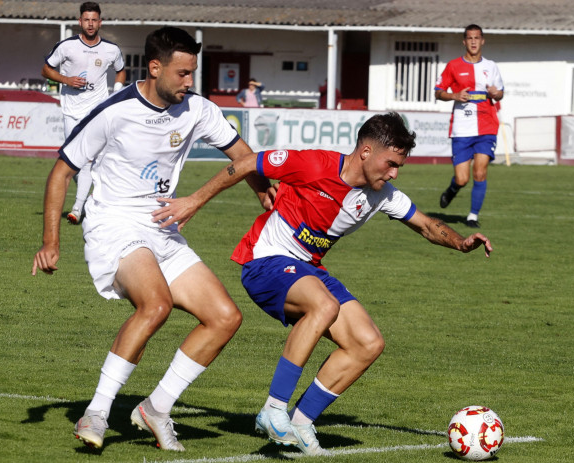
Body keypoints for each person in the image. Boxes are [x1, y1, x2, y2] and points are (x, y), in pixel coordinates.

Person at [157, 112, 493, 456]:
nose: (394, 173)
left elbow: (425, 225)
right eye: (390, 163)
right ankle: (274, 410)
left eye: (399, 167)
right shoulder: (314, 164)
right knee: (324, 305)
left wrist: (461, 243)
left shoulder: (382, 195)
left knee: (367, 342)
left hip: (307, 269)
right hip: (265, 262)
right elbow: (247, 163)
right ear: (365, 151)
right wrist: (194, 200)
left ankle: (301, 422)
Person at [32, 26, 272, 452]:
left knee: (224, 317)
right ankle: (98, 412)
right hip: (113, 224)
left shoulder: (197, 109)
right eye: (181, 73)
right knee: (156, 304)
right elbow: (61, 171)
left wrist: (262, 194)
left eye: (192, 72)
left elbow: (244, 156)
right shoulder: (115, 111)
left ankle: (155, 408)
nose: (188, 82)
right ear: (155, 67)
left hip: (161, 224)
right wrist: (52, 241)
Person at [41, 1, 126, 225]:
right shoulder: (66, 46)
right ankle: (92, 200)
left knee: (87, 160)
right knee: (75, 162)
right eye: (86, 19)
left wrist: (114, 94)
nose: (90, 24)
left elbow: (120, 71)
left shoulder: (111, 50)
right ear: (80, 21)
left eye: (94, 20)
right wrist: (66, 79)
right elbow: (46, 69)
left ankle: (77, 209)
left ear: (100, 22)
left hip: (96, 110)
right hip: (71, 110)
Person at [434, 24, 504, 228]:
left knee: (480, 172)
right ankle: (452, 189)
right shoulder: (454, 66)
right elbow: (438, 92)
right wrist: (454, 95)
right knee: (462, 179)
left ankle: (472, 216)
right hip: (462, 129)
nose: (473, 41)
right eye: (469, 38)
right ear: (464, 41)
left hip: (486, 127)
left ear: (483, 41)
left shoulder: (491, 66)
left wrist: (495, 93)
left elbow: (501, 92)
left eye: (477, 38)